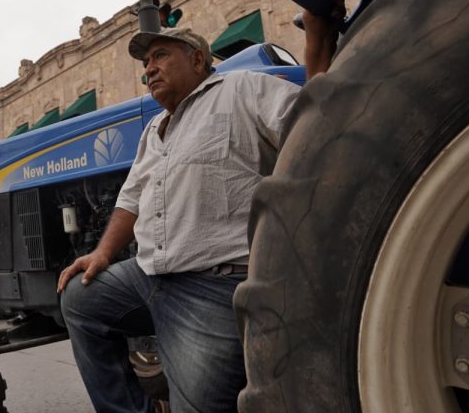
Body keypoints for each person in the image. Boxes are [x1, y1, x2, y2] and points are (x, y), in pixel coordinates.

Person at [57, 26, 300, 412]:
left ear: (197, 59)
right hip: (148, 276)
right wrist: (102, 253)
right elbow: (130, 199)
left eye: (160, 55)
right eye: (145, 62)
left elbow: (312, 129)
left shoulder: (244, 89)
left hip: (212, 284)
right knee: (79, 299)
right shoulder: (153, 130)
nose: (149, 69)